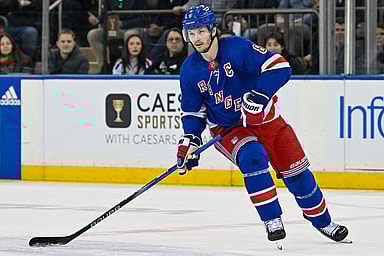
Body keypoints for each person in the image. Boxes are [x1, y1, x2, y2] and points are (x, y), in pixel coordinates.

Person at [176, 5, 350, 246]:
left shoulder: (237, 48)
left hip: (267, 121)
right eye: (191, 33)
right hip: (229, 130)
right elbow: (193, 112)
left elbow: (279, 66)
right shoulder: (189, 70)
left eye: (201, 32)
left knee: (298, 175)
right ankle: (272, 219)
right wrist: (191, 140)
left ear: (212, 30)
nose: (196, 38)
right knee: (253, 157)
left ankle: (324, 222)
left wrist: (260, 94)